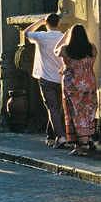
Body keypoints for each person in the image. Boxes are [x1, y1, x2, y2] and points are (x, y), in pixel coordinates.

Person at [23, 14, 66, 148]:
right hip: (60, 78)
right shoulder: (63, 37)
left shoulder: (42, 36)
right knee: (57, 108)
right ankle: (51, 136)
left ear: (47, 24)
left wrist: (40, 22)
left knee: (52, 108)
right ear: (58, 23)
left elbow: (26, 32)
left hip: (46, 78)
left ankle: (61, 136)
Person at [55, 24, 98, 156]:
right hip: (88, 82)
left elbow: (55, 50)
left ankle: (78, 147)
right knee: (88, 110)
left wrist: (65, 36)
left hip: (72, 85)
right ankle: (89, 137)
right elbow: (91, 64)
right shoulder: (91, 48)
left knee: (73, 113)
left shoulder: (65, 49)